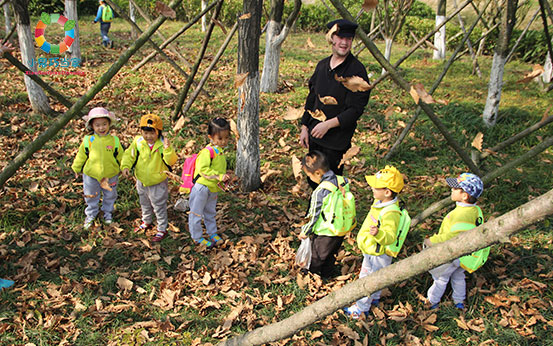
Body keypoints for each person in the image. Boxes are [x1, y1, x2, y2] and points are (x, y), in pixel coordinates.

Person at [299, 19, 371, 189]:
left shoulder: (357, 71)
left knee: (331, 184)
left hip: (336, 141)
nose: (344, 43)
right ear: (331, 38)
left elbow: (356, 109)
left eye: (349, 39)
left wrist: (328, 125)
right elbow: (312, 98)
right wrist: (304, 126)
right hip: (314, 136)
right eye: (340, 37)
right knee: (313, 179)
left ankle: (332, 214)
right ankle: (316, 211)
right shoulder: (322, 65)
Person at [344, 165, 405, 319]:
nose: (372, 188)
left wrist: (379, 234)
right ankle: (375, 298)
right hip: (372, 250)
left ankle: (361, 308)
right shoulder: (380, 203)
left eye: (376, 187)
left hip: (378, 253)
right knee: (377, 277)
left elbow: (390, 236)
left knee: (367, 281)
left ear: (387, 192)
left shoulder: (391, 212)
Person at [424, 173, 484, 310]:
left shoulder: (461, 214)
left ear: (465, 196)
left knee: (441, 278)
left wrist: (432, 241)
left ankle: (432, 301)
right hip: (465, 254)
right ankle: (459, 301)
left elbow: (453, 235)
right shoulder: (475, 210)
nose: (452, 190)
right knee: (458, 276)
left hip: (453, 252)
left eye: (456, 189)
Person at [121, 114, 177, 242]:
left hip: (158, 181)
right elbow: (129, 155)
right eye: (145, 133)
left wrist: (168, 150)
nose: (148, 136)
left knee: (158, 205)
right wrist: (125, 166)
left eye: (152, 133)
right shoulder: (139, 142)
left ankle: (162, 227)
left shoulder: (163, 144)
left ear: (158, 132)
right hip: (142, 180)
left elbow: (172, 161)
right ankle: (146, 220)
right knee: (144, 202)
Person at [298, 150, 352, 278]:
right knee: (330, 253)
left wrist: (305, 231)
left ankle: (311, 278)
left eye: (310, 176)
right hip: (341, 227)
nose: (310, 179)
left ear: (317, 173)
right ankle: (328, 274)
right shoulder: (341, 180)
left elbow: (313, 214)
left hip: (326, 231)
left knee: (317, 257)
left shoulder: (320, 191)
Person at [72, 107, 122, 229]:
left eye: (104, 124)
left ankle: (107, 212)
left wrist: (125, 167)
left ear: (109, 124)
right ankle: (91, 214)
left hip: (110, 173)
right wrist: (76, 167)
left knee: (110, 195)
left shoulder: (114, 140)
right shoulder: (88, 140)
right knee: (91, 195)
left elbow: (121, 155)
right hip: (91, 174)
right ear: (92, 126)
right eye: (97, 125)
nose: (101, 128)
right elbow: (81, 155)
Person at [188, 117, 232, 248]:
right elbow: (203, 170)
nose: (223, 141)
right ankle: (196, 236)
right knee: (196, 212)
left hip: (213, 188)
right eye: (220, 138)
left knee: (210, 212)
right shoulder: (208, 152)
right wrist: (219, 176)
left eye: (226, 138)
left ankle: (212, 232)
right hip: (202, 187)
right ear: (210, 137)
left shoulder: (220, 152)